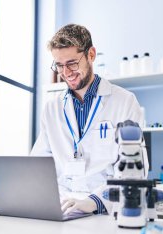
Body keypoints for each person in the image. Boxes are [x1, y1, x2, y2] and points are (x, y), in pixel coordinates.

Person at [31, 24, 148, 215]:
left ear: (91, 55)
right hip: (62, 207)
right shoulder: (52, 108)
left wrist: (93, 201)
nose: (66, 72)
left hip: (103, 209)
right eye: (59, 65)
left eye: (72, 63)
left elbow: (134, 169)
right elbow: (39, 164)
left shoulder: (124, 101)